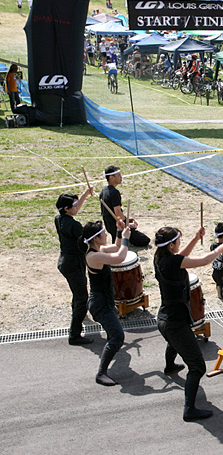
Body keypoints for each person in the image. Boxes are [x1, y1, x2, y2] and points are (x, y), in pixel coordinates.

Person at [154, 225, 223, 421]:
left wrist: (196, 238)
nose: (179, 243)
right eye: (178, 240)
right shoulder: (173, 261)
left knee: (174, 342)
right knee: (197, 366)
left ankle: (170, 366)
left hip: (164, 318)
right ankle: (189, 409)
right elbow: (204, 260)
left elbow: (179, 256)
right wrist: (220, 250)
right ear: (171, 245)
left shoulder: (161, 257)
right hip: (175, 322)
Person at [80, 219, 132, 385]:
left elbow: (116, 248)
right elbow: (120, 256)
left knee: (113, 334)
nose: (105, 234)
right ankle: (101, 373)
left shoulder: (98, 249)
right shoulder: (94, 256)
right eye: (103, 233)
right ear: (96, 238)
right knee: (118, 336)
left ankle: (110, 352)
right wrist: (126, 237)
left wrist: (118, 232)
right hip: (100, 304)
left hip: (106, 301)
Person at [55, 188, 95, 345]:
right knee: (82, 298)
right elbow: (89, 240)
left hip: (65, 261)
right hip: (73, 264)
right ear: (67, 209)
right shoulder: (74, 225)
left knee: (77, 291)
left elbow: (75, 207)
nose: (77, 207)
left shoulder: (59, 218)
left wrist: (85, 193)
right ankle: (74, 334)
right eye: (74, 205)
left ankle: (78, 314)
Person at [99, 165, 150, 247]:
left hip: (109, 225)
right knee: (145, 240)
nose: (121, 177)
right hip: (117, 226)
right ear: (111, 178)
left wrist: (127, 220)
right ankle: (124, 238)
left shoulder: (103, 191)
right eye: (118, 175)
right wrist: (127, 223)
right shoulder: (114, 193)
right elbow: (118, 213)